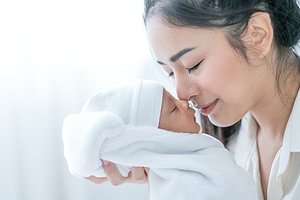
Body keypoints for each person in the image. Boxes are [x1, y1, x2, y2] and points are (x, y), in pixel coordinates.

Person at [89, 0, 300, 200]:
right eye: (170, 73)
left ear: (257, 35)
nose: (181, 93)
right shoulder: (222, 148)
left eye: (192, 65)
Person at [62, 79, 259, 199]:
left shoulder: (202, 158)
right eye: (173, 108)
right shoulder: (181, 188)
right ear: (156, 139)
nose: (184, 101)